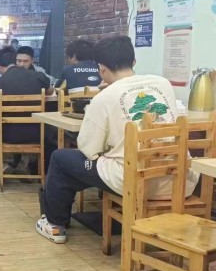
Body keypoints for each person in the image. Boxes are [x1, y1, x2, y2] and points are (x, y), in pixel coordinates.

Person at [36, 35, 199, 244]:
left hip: (133, 182)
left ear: (101, 69)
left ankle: (54, 225)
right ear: (133, 62)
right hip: (179, 182)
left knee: (61, 159)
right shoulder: (162, 83)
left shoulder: (104, 97)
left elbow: (88, 148)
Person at [0, 46, 51, 188]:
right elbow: (50, 90)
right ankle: (23, 165)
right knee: (32, 129)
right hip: (36, 131)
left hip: (8, 133)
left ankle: (0, 164)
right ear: (15, 61)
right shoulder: (37, 76)